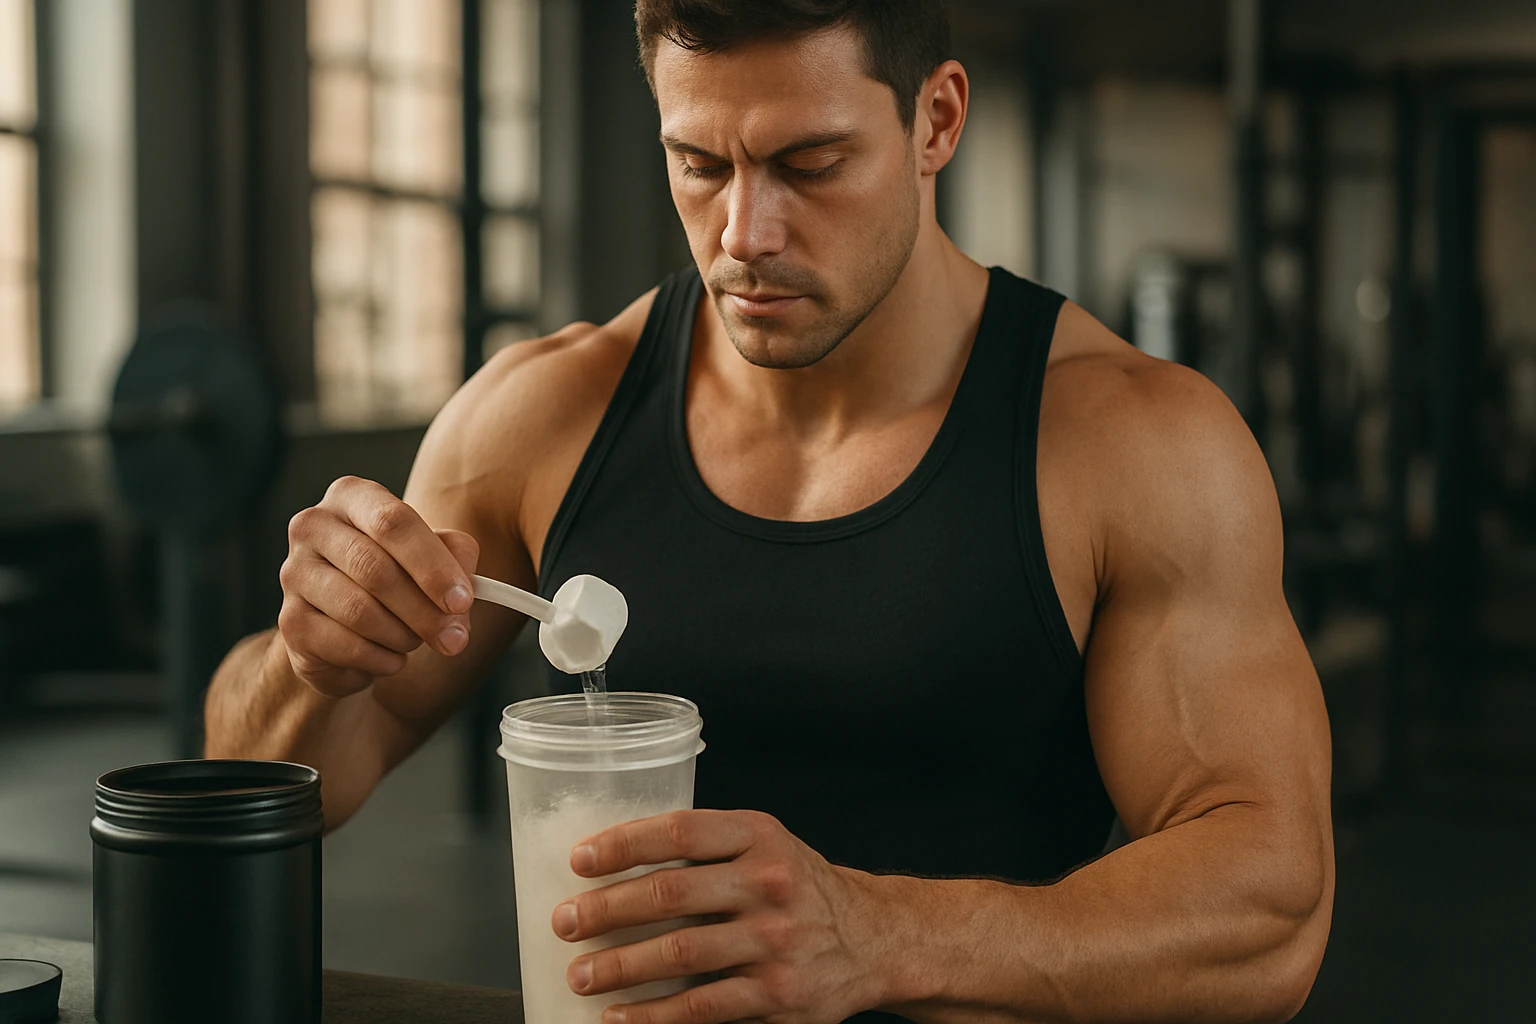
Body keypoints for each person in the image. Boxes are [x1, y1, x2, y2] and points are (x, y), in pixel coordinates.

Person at [205, 2, 1334, 1021]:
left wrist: (886, 936)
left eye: (811, 161)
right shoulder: (542, 413)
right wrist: (311, 662)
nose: (744, 232)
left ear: (935, 121)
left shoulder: (1136, 441)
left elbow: (1269, 905)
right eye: (698, 163)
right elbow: (258, 775)